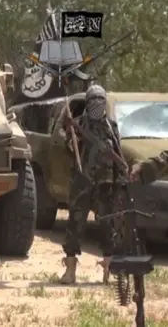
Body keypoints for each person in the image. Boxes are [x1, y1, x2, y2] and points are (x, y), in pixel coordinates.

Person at [59, 84, 126, 285]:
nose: (97, 105)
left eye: (100, 101)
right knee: (75, 225)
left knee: (108, 225)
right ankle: (70, 271)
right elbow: (69, 149)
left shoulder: (111, 127)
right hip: (82, 183)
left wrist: (120, 182)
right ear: (88, 103)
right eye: (93, 101)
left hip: (105, 184)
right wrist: (71, 138)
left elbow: (118, 154)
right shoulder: (78, 125)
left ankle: (108, 270)